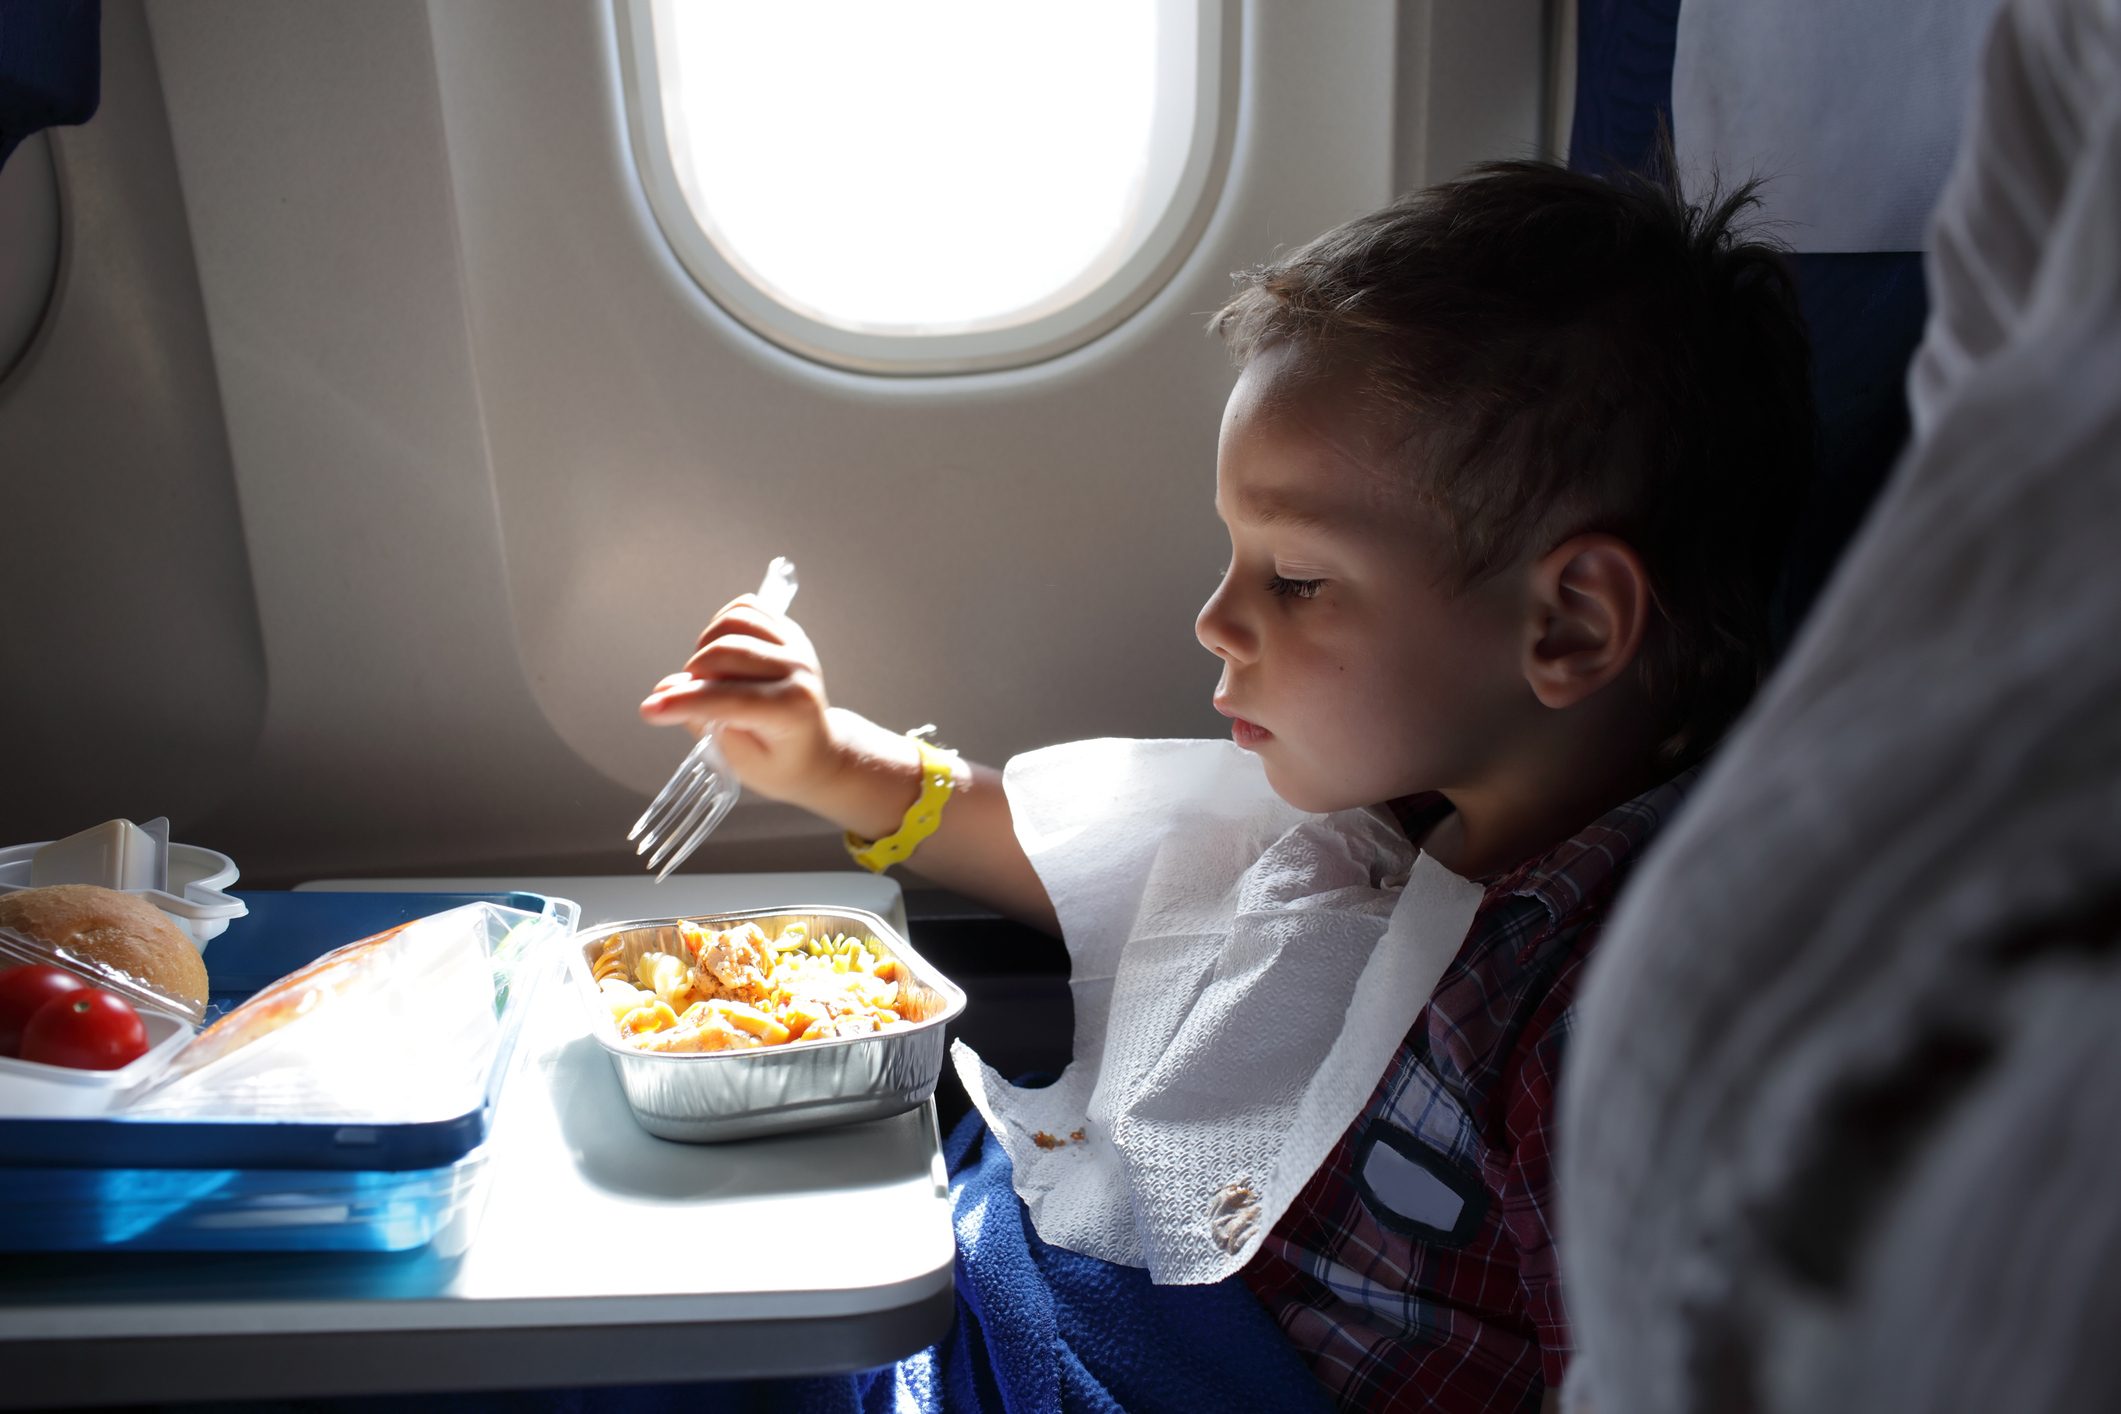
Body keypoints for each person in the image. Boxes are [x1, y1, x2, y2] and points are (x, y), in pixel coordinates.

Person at [641, 157, 1816, 1413]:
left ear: (1570, 625)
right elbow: (1090, 862)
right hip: (1039, 1271)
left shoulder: (1622, 1018)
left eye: (1296, 579)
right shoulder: (1391, 809)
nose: (1214, 619)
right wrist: (832, 760)